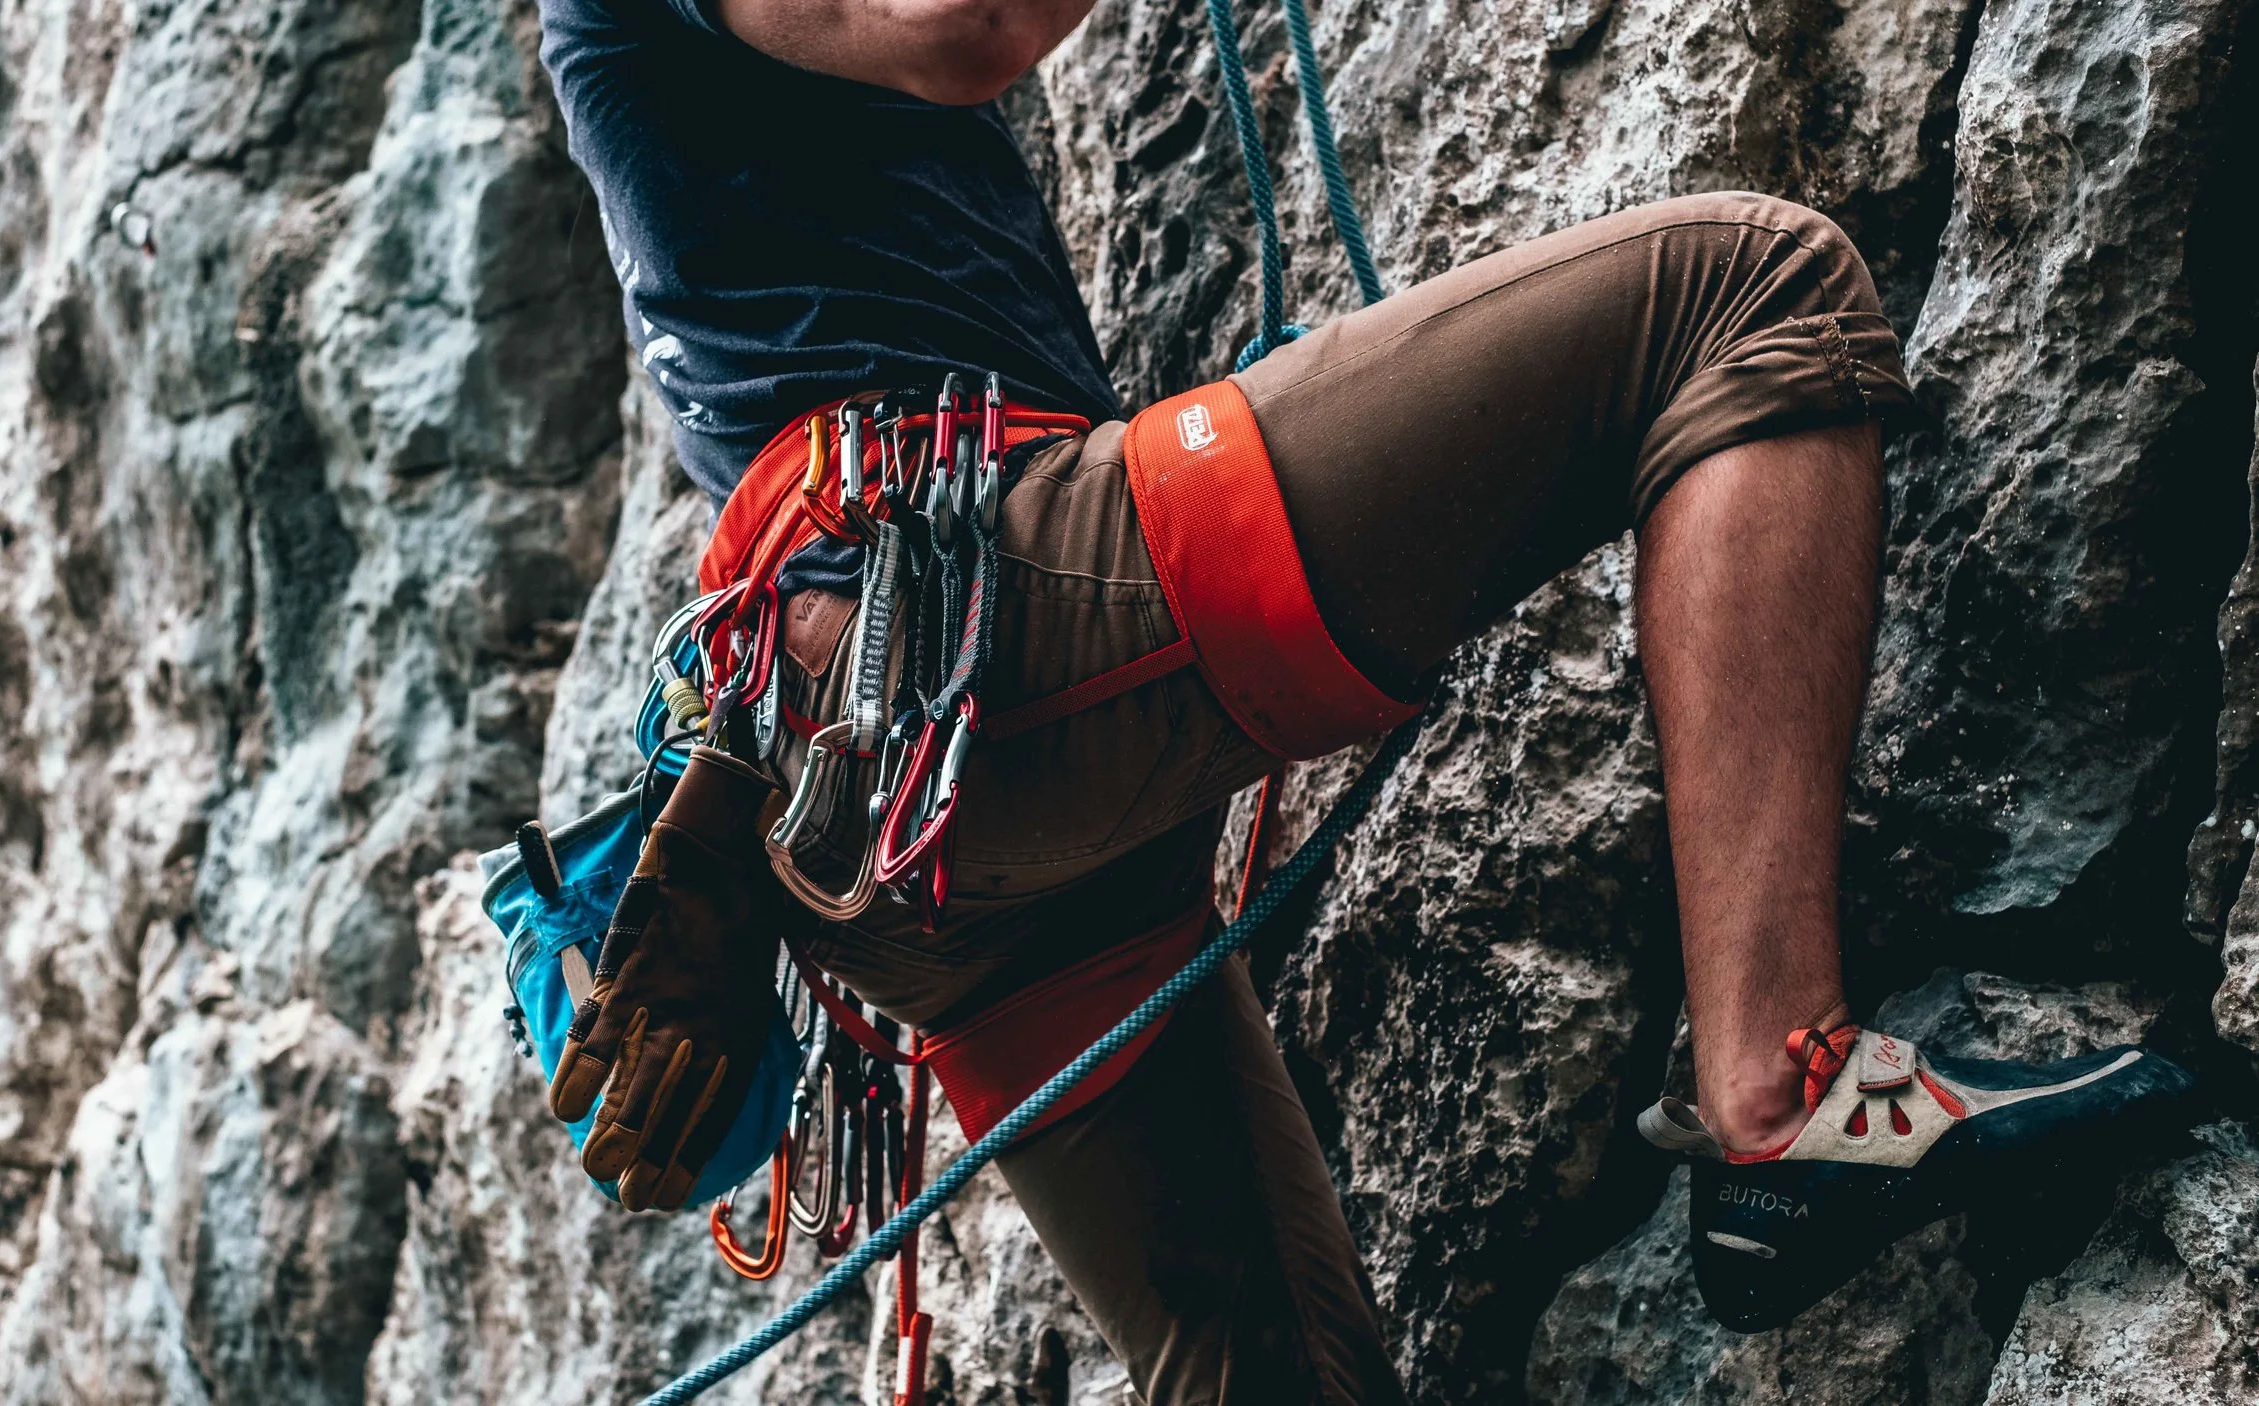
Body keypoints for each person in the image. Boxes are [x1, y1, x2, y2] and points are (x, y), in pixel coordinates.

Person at [528, 1, 2197, 1400]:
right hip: (981, 644)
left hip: (902, 808)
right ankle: (1783, 1088)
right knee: (1748, 295)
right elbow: (966, 24)